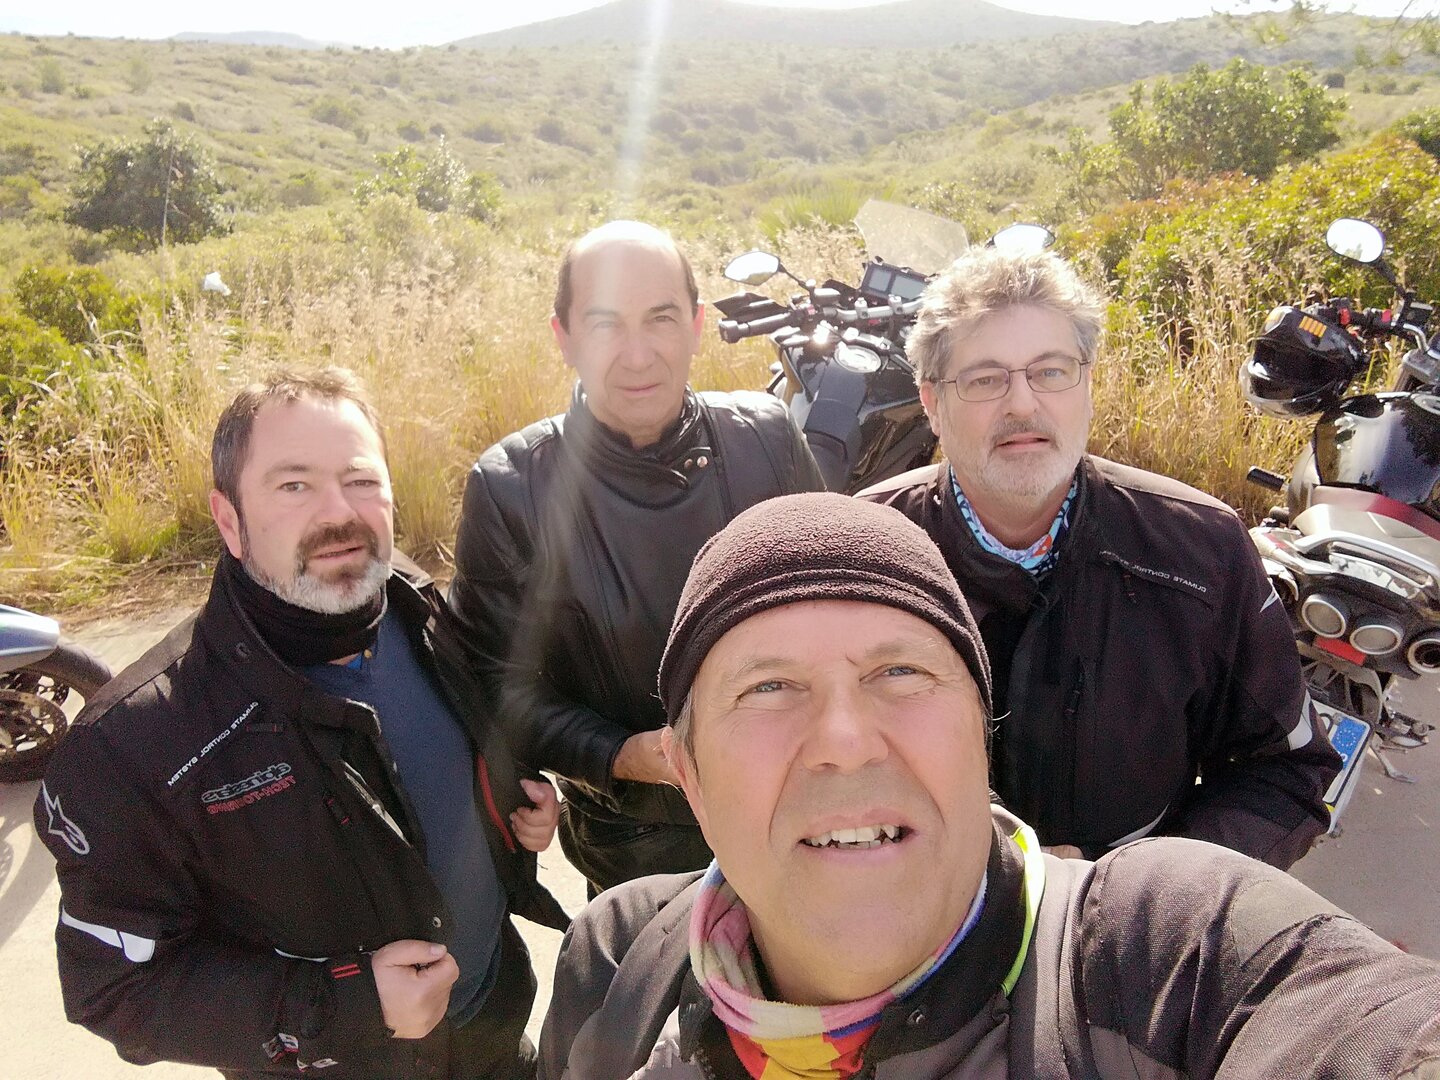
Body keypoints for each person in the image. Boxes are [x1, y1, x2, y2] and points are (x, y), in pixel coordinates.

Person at [539, 493, 1440, 1080]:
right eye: (768, 688)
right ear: (688, 776)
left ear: (980, 737)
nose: (844, 741)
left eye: (900, 673)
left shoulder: (1166, 951)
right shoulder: (622, 958)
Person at [36, 368, 568, 1079]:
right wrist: (347, 1006)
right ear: (229, 521)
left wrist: (511, 811)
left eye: (360, 479)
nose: (338, 513)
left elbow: (443, 762)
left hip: (495, 1030)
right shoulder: (134, 746)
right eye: (294, 485)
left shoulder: (421, 610)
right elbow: (115, 989)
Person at [861, 245, 1338, 868]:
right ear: (931, 402)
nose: (1022, 404)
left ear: (1087, 384)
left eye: (1051, 371)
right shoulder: (866, 549)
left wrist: (1134, 887)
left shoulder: (1202, 550)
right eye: (984, 379)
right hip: (912, 902)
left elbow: (1286, 773)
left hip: (1127, 915)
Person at [446, 220, 824, 895]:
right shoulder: (512, 488)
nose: (638, 355)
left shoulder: (767, 441)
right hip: (636, 844)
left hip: (796, 810)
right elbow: (495, 688)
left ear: (697, 326)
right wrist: (626, 755)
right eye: (604, 325)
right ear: (564, 338)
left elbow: (839, 608)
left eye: (661, 319)